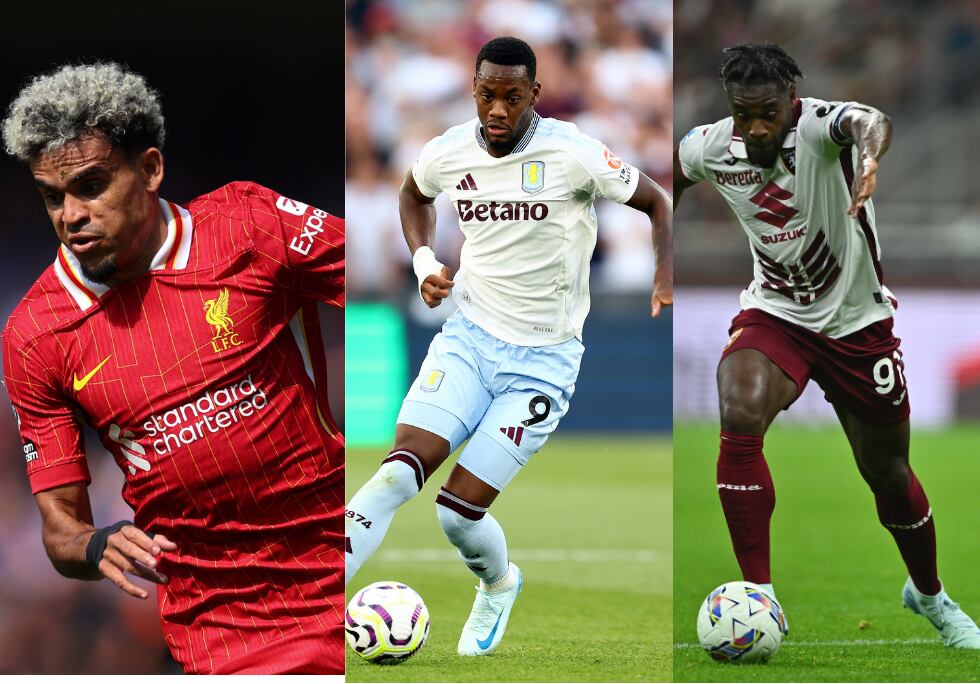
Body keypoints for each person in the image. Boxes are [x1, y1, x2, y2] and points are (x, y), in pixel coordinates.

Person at [1, 63, 346, 673]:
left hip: (354, 553)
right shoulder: (36, 336)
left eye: (90, 185)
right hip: (232, 627)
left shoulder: (246, 223)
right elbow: (61, 528)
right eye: (53, 197)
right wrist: (93, 542)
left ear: (151, 169)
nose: (71, 215)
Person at [345, 36, 672, 656]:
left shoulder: (573, 153)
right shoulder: (448, 151)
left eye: (512, 97)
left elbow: (656, 200)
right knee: (394, 475)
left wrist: (664, 274)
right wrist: (422, 262)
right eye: (488, 95)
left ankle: (498, 582)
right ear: (474, 89)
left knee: (455, 513)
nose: (497, 109)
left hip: (543, 365)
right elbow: (414, 195)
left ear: (534, 95)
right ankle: (315, 613)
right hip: (468, 339)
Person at [673, 42, 980, 649]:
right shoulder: (707, 147)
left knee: (889, 475)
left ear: (791, 101)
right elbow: (667, 182)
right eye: (743, 115)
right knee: (739, 412)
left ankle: (930, 595)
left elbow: (871, 121)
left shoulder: (817, 128)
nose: (756, 128)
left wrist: (868, 159)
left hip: (857, 327)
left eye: (767, 112)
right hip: (775, 315)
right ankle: (758, 598)